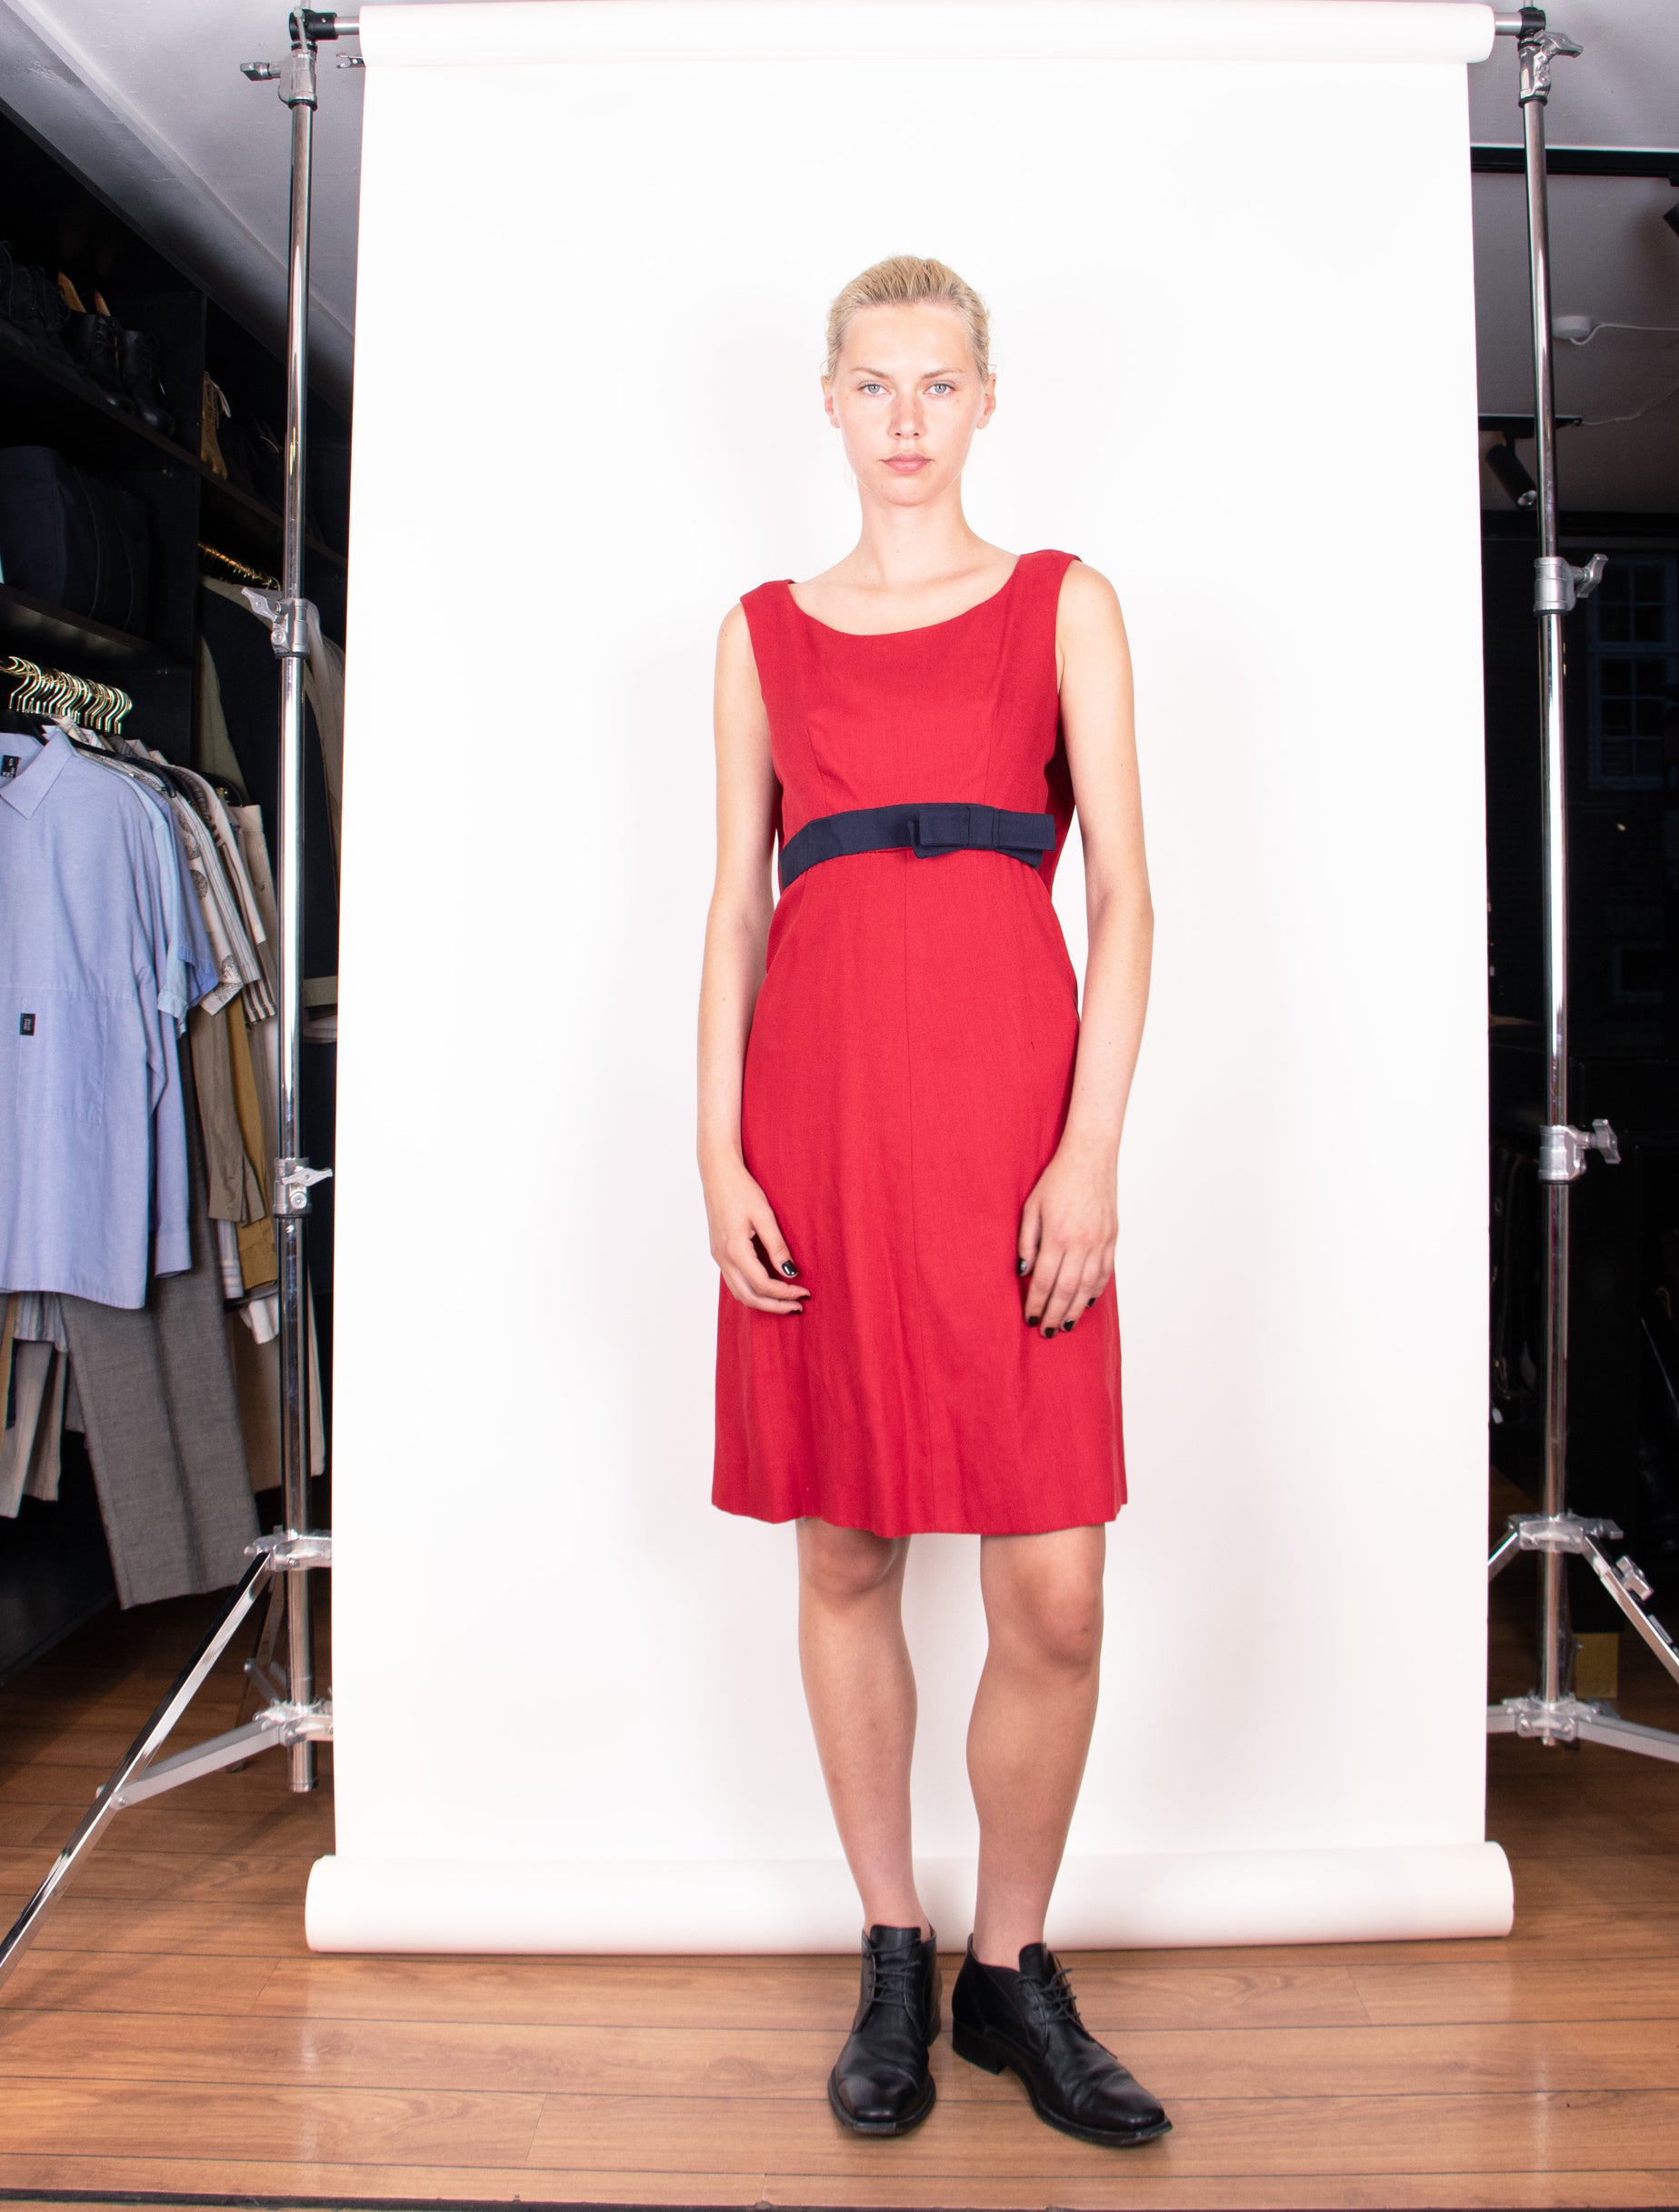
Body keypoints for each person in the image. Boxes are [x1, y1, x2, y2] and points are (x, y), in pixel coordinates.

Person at [695, 255, 1162, 2147]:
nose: (906, 417)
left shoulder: (1064, 603)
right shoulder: (759, 633)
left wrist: (1090, 1149)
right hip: (815, 1128)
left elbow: (1123, 896)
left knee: (1054, 1586)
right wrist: (715, 1148)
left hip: (1013, 1137)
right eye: (874, 383)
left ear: (985, 400)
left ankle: (1008, 1965)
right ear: (829, 401)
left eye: (938, 382)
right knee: (845, 1550)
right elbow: (735, 909)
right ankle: (892, 1943)